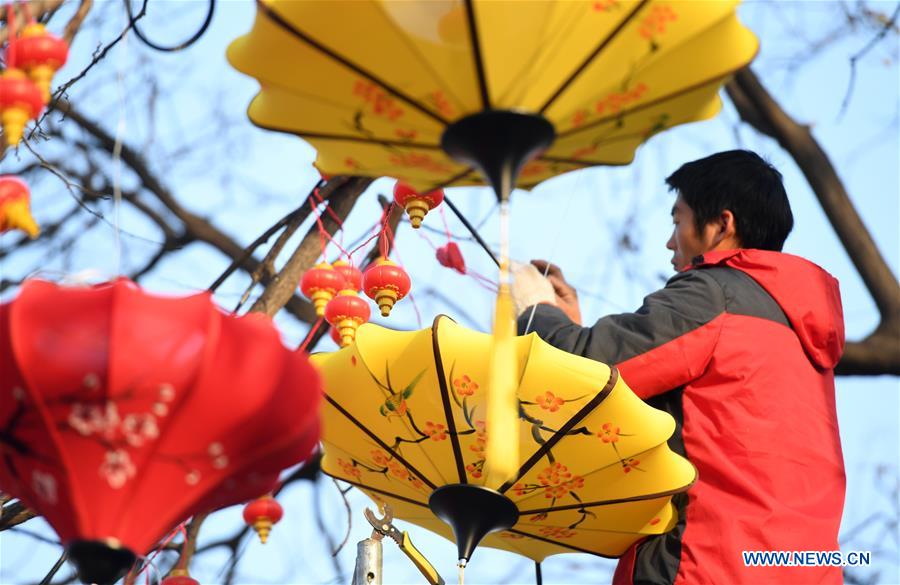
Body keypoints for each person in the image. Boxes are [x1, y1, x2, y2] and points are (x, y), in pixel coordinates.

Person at [512, 150, 846, 585]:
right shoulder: (800, 330)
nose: (671, 241)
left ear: (723, 224)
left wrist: (535, 310)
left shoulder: (716, 294)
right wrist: (574, 323)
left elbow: (588, 370)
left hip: (706, 565)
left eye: (678, 220)